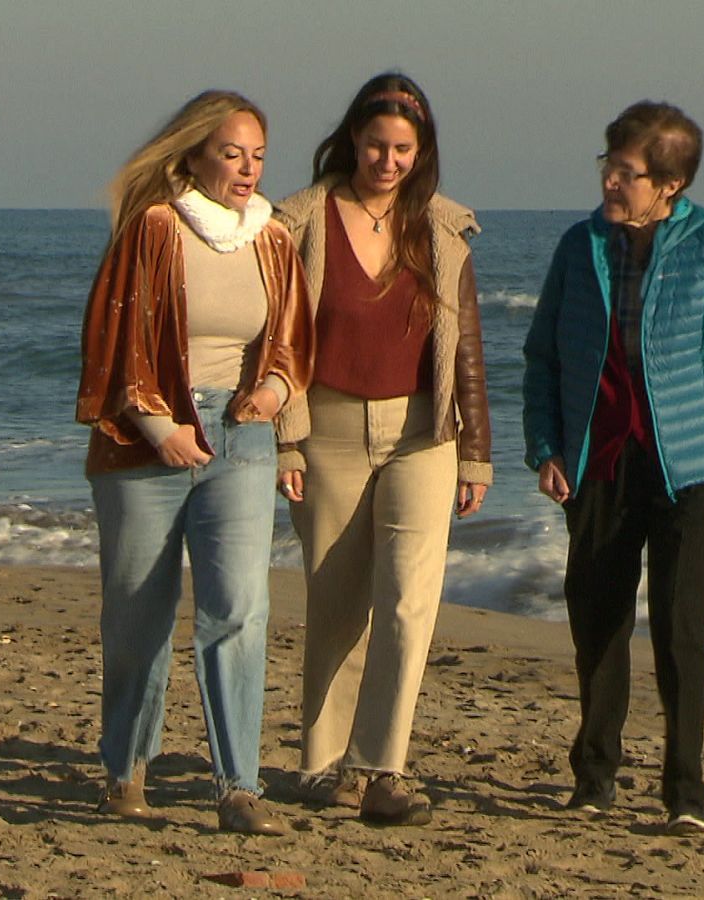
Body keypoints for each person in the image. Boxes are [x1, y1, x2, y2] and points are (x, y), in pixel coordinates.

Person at [522, 101, 704, 837]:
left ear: (670, 183)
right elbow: (541, 355)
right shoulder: (580, 247)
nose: (610, 181)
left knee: (677, 626)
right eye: (608, 164)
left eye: (627, 171)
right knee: (595, 620)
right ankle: (594, 775)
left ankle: (685, 792)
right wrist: (547, 447)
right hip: (598, 462)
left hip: (691, 468)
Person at [75, 90, 313, 835]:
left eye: (258, 157)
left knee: (239, 609)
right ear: (194, 155)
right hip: (149, 442)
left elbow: (294, 335)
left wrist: (273, 390)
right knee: (138, 616)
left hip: (240, 440)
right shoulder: (153, 229)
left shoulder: (271, 237)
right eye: (232, 154)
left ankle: (238, 787)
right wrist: (157, 426)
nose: (247, 170)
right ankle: (126, 772)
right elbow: (108, 342)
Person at [273, 72, 491, 826]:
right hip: (325, 428)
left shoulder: (441, 228)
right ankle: (323, 766)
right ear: (352, 139)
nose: (388, 161)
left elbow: (465, 347)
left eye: (403, 149)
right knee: (336, 604)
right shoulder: (301, 220)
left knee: (408, 603)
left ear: (421, 152)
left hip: (422, 435)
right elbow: (277, 337)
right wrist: (286, 442)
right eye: (376, 145)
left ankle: (382, 767)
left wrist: (475, 452)